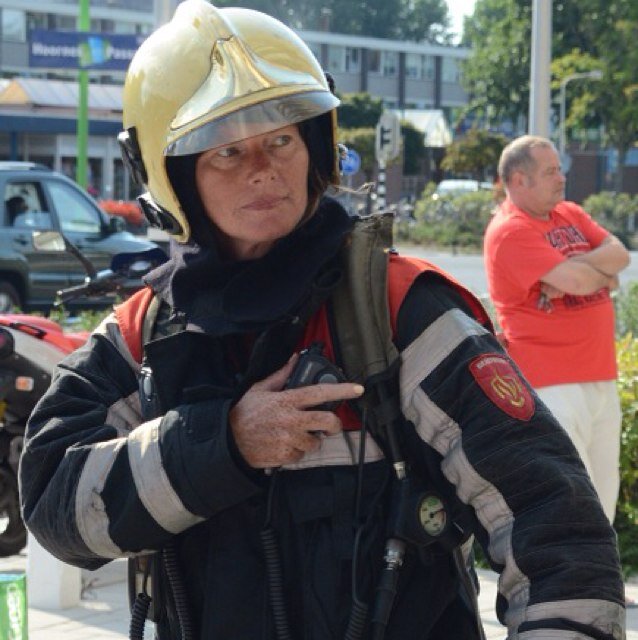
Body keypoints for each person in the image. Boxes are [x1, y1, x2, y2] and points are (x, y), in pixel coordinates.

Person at [19, 3, 625, 639]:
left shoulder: (398, 310)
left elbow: (559, 531)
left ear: (315, 146)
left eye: (281, 138)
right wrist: (223, 444)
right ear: (172, 177)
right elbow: (54, 504)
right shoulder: (148, 334)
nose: (264, 168)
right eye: (225, 150)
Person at [484, 134, 630, 525]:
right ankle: (571, 586)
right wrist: (599, 276)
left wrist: (583, 270)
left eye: (559, 169)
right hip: (551, 381)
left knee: (603, 494)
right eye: (550, 172)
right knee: (570, 497)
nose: (561, 178)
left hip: (597, 374)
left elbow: (620, 254)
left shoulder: (569, 213)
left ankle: (600, 585)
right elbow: (585, 281)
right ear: (519, 180)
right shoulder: (510, 230)